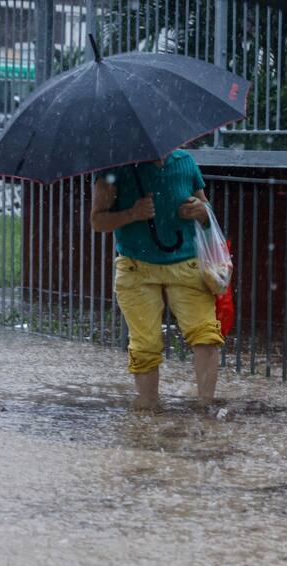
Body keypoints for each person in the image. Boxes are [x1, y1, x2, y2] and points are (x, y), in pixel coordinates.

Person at [90, 148, 222, 409]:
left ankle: (206, 408)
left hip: (186, 264)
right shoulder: (114, 169)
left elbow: (205, 207)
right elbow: (97, 221)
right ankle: (148, 410)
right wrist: (132, 214)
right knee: (145, 345)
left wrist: (201, 211)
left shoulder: (185, 162)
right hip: (136, 269)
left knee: (206, 336)